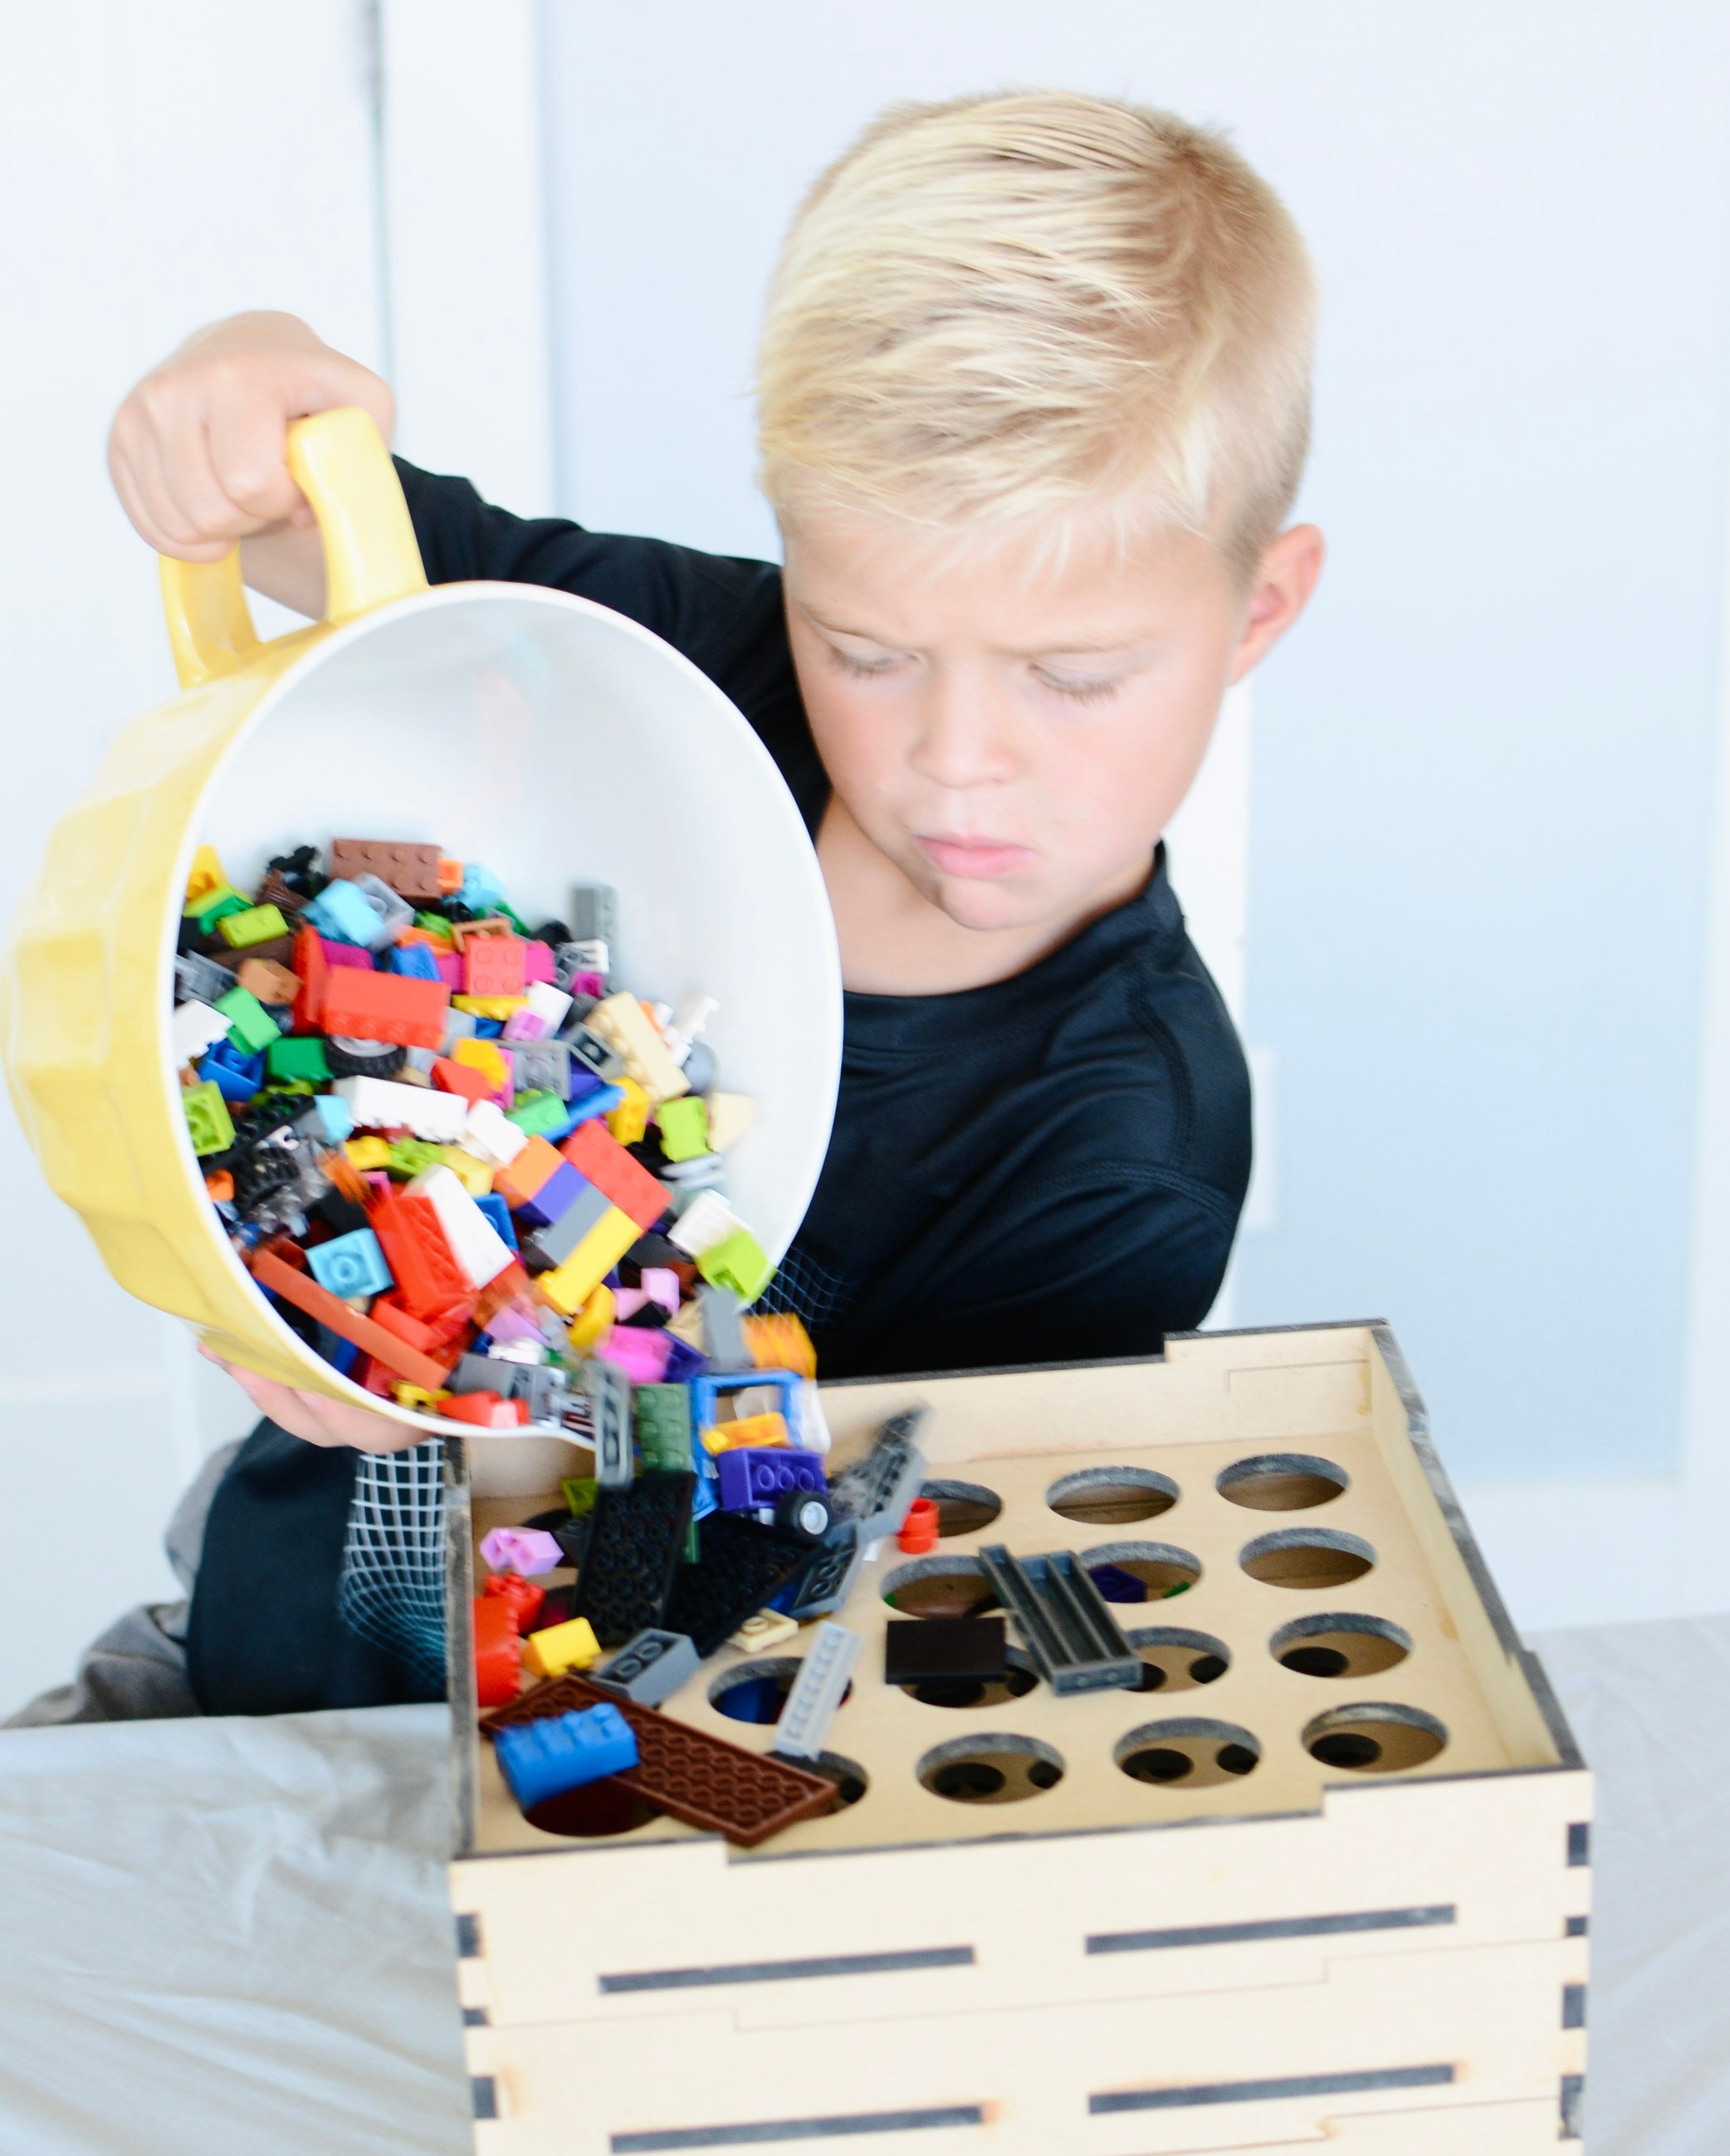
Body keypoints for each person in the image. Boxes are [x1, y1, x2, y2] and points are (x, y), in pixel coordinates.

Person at [24, 89, 1322, 1722]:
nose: (956, 760)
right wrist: (244, 372)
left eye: (1073, 676)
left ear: (1257, 604)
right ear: (800, 567)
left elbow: (836, 1588)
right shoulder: (694, 667)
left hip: (613, 1778)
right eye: (869, 651)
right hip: (250, 1648)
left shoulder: (1119, 1148)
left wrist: (485, 1406)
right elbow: (321, 528)